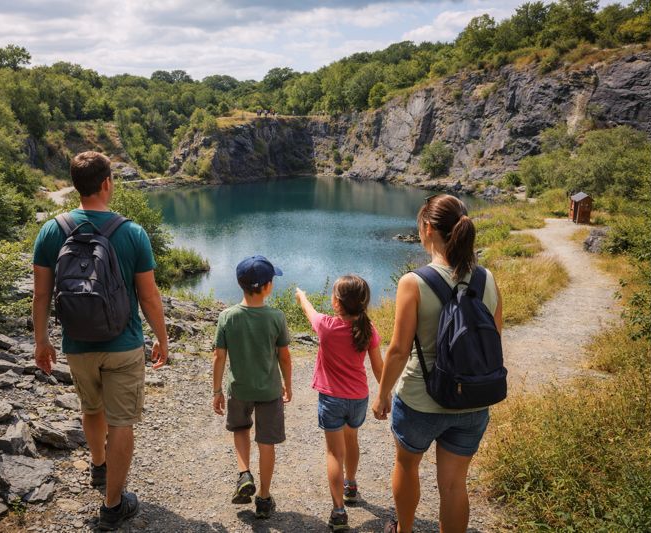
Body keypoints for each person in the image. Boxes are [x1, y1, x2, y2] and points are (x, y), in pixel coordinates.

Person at [32, 151, 169, 531]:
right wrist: (162, 338)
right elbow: (149, 297)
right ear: (107, 183)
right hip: (123, 344)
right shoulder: (132, 233)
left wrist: (42, 341)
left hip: (77, 344)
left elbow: (41, 295)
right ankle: (112, 505)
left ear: (75, 184)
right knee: (122, 422)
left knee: (91, 409)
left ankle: (98, 465)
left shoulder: (52, 231)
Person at [371, 194, 503, 533]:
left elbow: (398, 350)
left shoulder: (413, 282)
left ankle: (404, 530)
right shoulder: (487, 279)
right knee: (455, 484)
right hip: (472, 398)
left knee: (407, 465)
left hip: (421, 399)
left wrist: (382, 394)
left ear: (428, 228)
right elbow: (494, 339)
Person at [296, 276, 384, 531]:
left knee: (335, 453)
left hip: (332, 399)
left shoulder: (326, 326)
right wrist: (385, 394)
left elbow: (309, 311)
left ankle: (338, 512)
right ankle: (351, 485)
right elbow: (378, 366)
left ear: (336, 302)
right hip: (358, 398)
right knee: (352, 439)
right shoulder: (368, 329)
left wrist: (302, 296)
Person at [212, 255, 292, 520]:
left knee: (240, 429)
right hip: (269, 391)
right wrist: (288, 384)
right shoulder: (276, 317)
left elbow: (219, 357)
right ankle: (264, 498)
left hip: (239, 389)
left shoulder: (227, 317)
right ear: (267, 286)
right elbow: (284, 357)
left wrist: (217, 391)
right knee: (266, 442)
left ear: (240, 284)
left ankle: (244, 473)